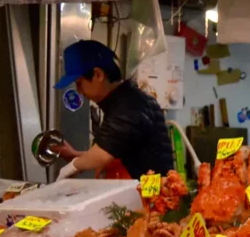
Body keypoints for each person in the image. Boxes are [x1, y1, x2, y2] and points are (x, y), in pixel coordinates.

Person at [53, 40, 174, 180]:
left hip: (153, 193)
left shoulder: (129, 105)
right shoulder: (122, 101)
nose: (79, 91)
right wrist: (74, 156)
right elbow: (112, 150)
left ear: (98, 74)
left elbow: (101, 155)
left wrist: (68, 169)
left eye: (79, 83)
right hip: (145, 187)